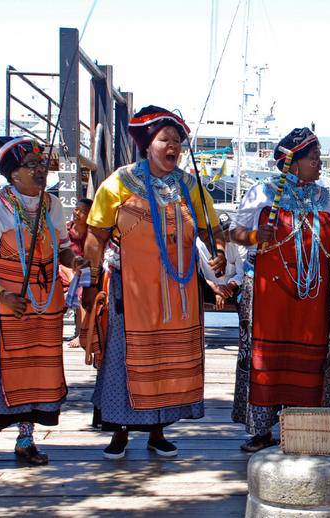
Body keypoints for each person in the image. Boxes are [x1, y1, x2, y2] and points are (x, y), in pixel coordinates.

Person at [81, 106, 225, 460]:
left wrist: (219, 249)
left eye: (177, 140)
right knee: (122, 356)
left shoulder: (188, 184)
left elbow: (210, 226)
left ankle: (157, 432)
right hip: (130, 290)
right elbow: (96, 235)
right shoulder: (118, 182)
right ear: (148, 144)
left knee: (165, 357)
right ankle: (117, 433)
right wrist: (91, 278)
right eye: (165, 139)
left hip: (176, 292)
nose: (172, 146)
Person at [0, 136, 85, 471]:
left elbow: (61, 246)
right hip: (2, 307)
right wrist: (0, 294)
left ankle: (25, 441)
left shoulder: (52, 206)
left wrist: (74, 261)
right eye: (32, 165)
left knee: (37, 372)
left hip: (42, 305)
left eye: (43, 163)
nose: (41, 169)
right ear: (14, 174)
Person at [229, 128, 330, 453]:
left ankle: (304, 427)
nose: (320, 164)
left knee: (309, 361)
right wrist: (257, 236)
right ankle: (261, 431)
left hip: (311, 299)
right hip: (271, 296)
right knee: (268, 360)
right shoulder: (263, 193)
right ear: (293, 164)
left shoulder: (323, 196)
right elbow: (235, 232)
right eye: (313, 158)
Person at [62, 198, 93, 348]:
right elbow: (58, 256)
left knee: (82, 291)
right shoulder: (65, 230)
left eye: (83, 211)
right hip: (66, 270)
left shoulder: (93, 234)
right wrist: (70, 274)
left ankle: (82, 334)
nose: (77, 213)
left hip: (84, 273)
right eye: (76, 209)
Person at [197, 212, 242, 310]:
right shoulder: (199, 245)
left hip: (231, 288)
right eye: (224, 232)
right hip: (208, 287)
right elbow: (197, 275)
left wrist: (225, 290)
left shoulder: (237, 244)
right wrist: (215, 289)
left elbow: (241, 274)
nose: (228, 234)